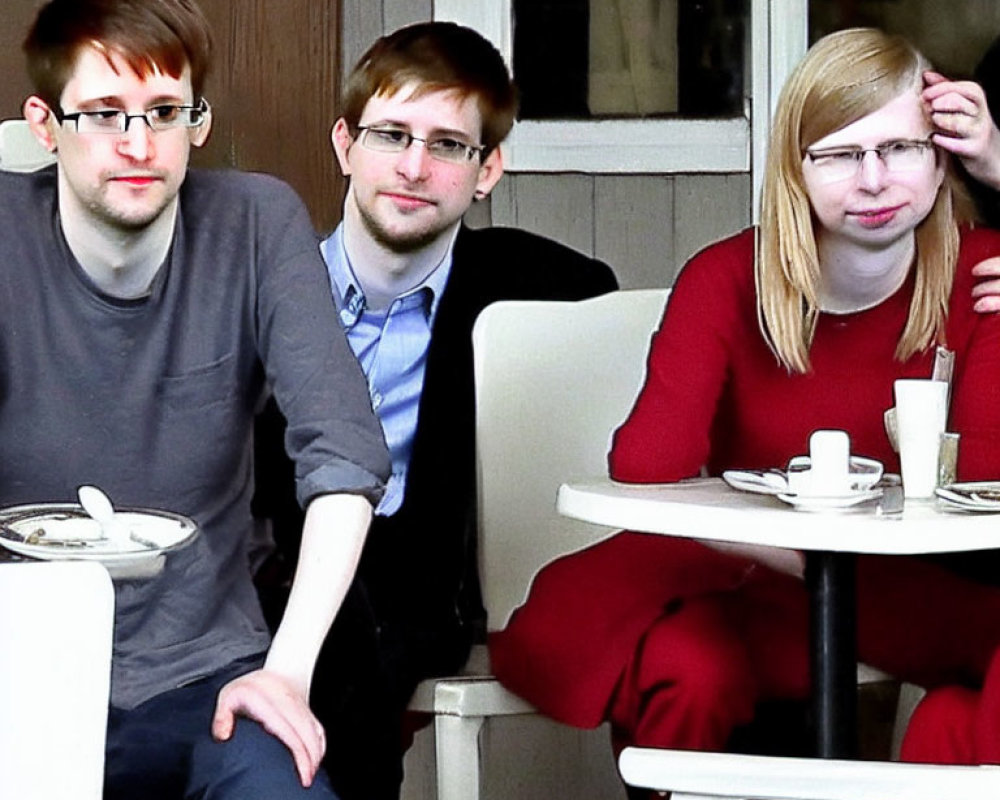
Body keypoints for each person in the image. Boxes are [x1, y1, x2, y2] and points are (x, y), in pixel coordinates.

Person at [488, 27, 1000, 784]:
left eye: (902, 148)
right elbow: (647, 462)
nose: (873, 180)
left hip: (915, 593)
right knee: (688, 665)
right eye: (836, 153)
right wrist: (798, 556)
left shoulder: (984, 273)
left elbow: (987, 479)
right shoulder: (731, 275)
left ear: (942, 156)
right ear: (794, 168)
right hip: (751, 584)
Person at [8, 1, 390, 798]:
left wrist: (285, 673)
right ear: (45, 125)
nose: (140, 146)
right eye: (105, 116)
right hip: (18, 670)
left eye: (164, 113)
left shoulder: (255, 223)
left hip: (207, 680)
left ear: (199, 120)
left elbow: (346, 452)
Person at [252, 20, 617, 800]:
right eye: (392, 135)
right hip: (271, 579)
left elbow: (627, 319)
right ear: (345, 144)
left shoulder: (533, 287)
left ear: (488, 170)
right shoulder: (265, 290)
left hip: (423, 596)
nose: (414, 167)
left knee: (372, 620)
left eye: (449, 145)